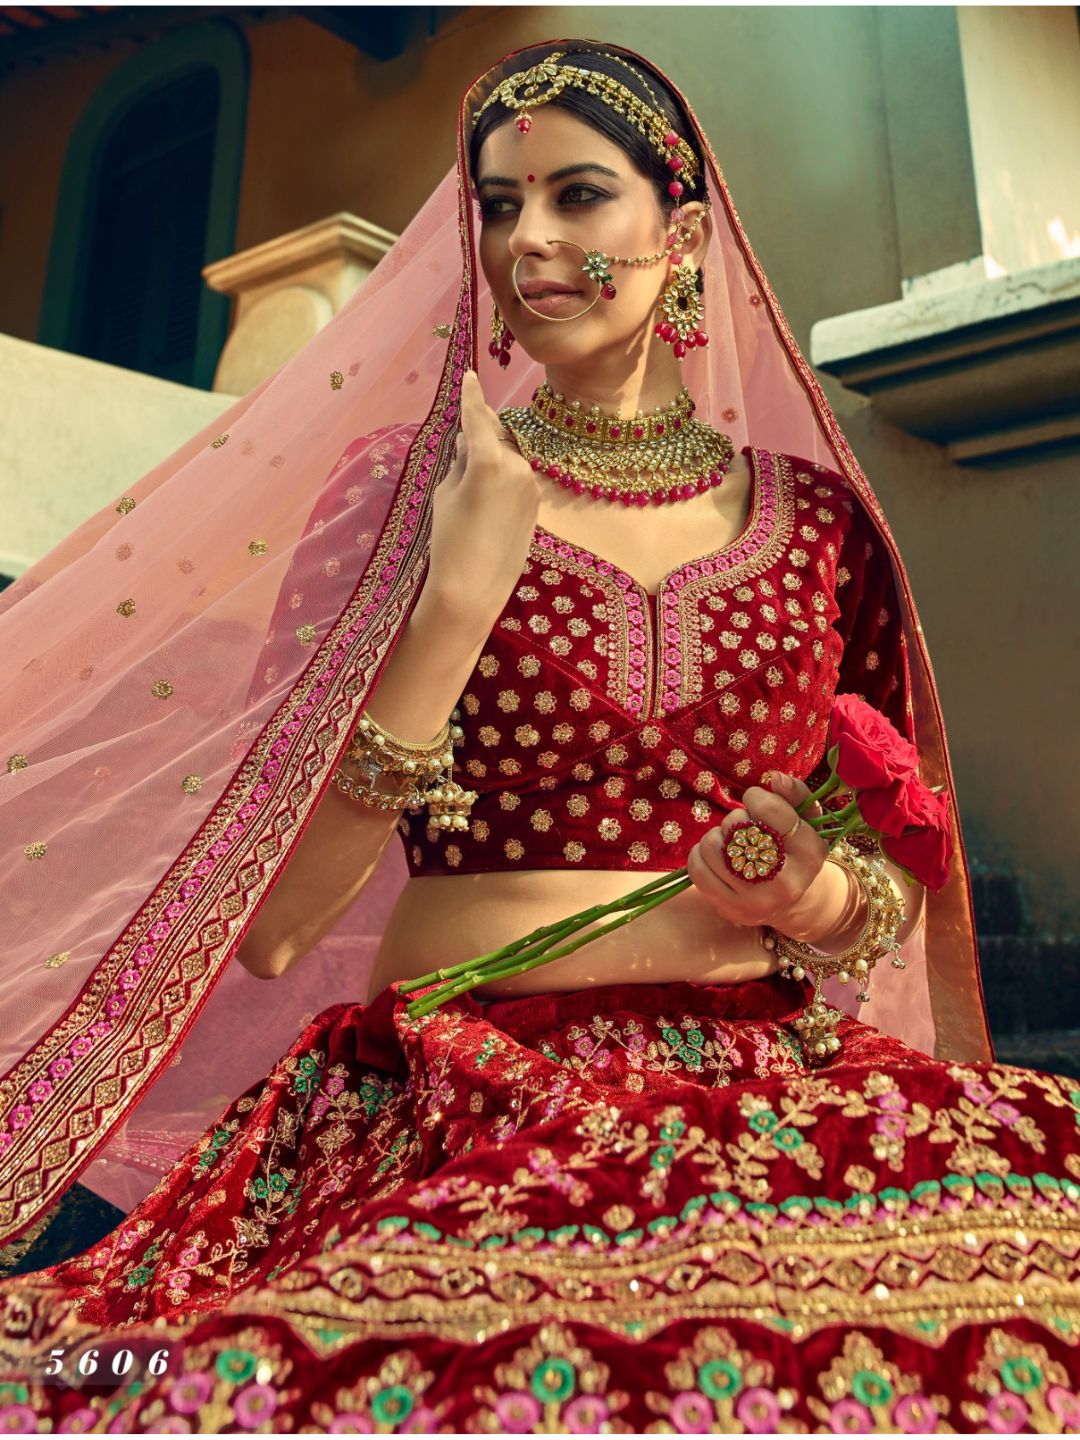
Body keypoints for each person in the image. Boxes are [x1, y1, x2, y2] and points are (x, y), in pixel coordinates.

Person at [0, 39, 1077, 1433]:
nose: (532, 244)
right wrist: (457, 596)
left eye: (578, 196)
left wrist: (811, 891)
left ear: (681, 233)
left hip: (768, 1081)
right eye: (499, 207)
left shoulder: (818, 531)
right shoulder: (405, 497)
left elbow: (883, 879)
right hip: (463, 1082)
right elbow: (271, 931)